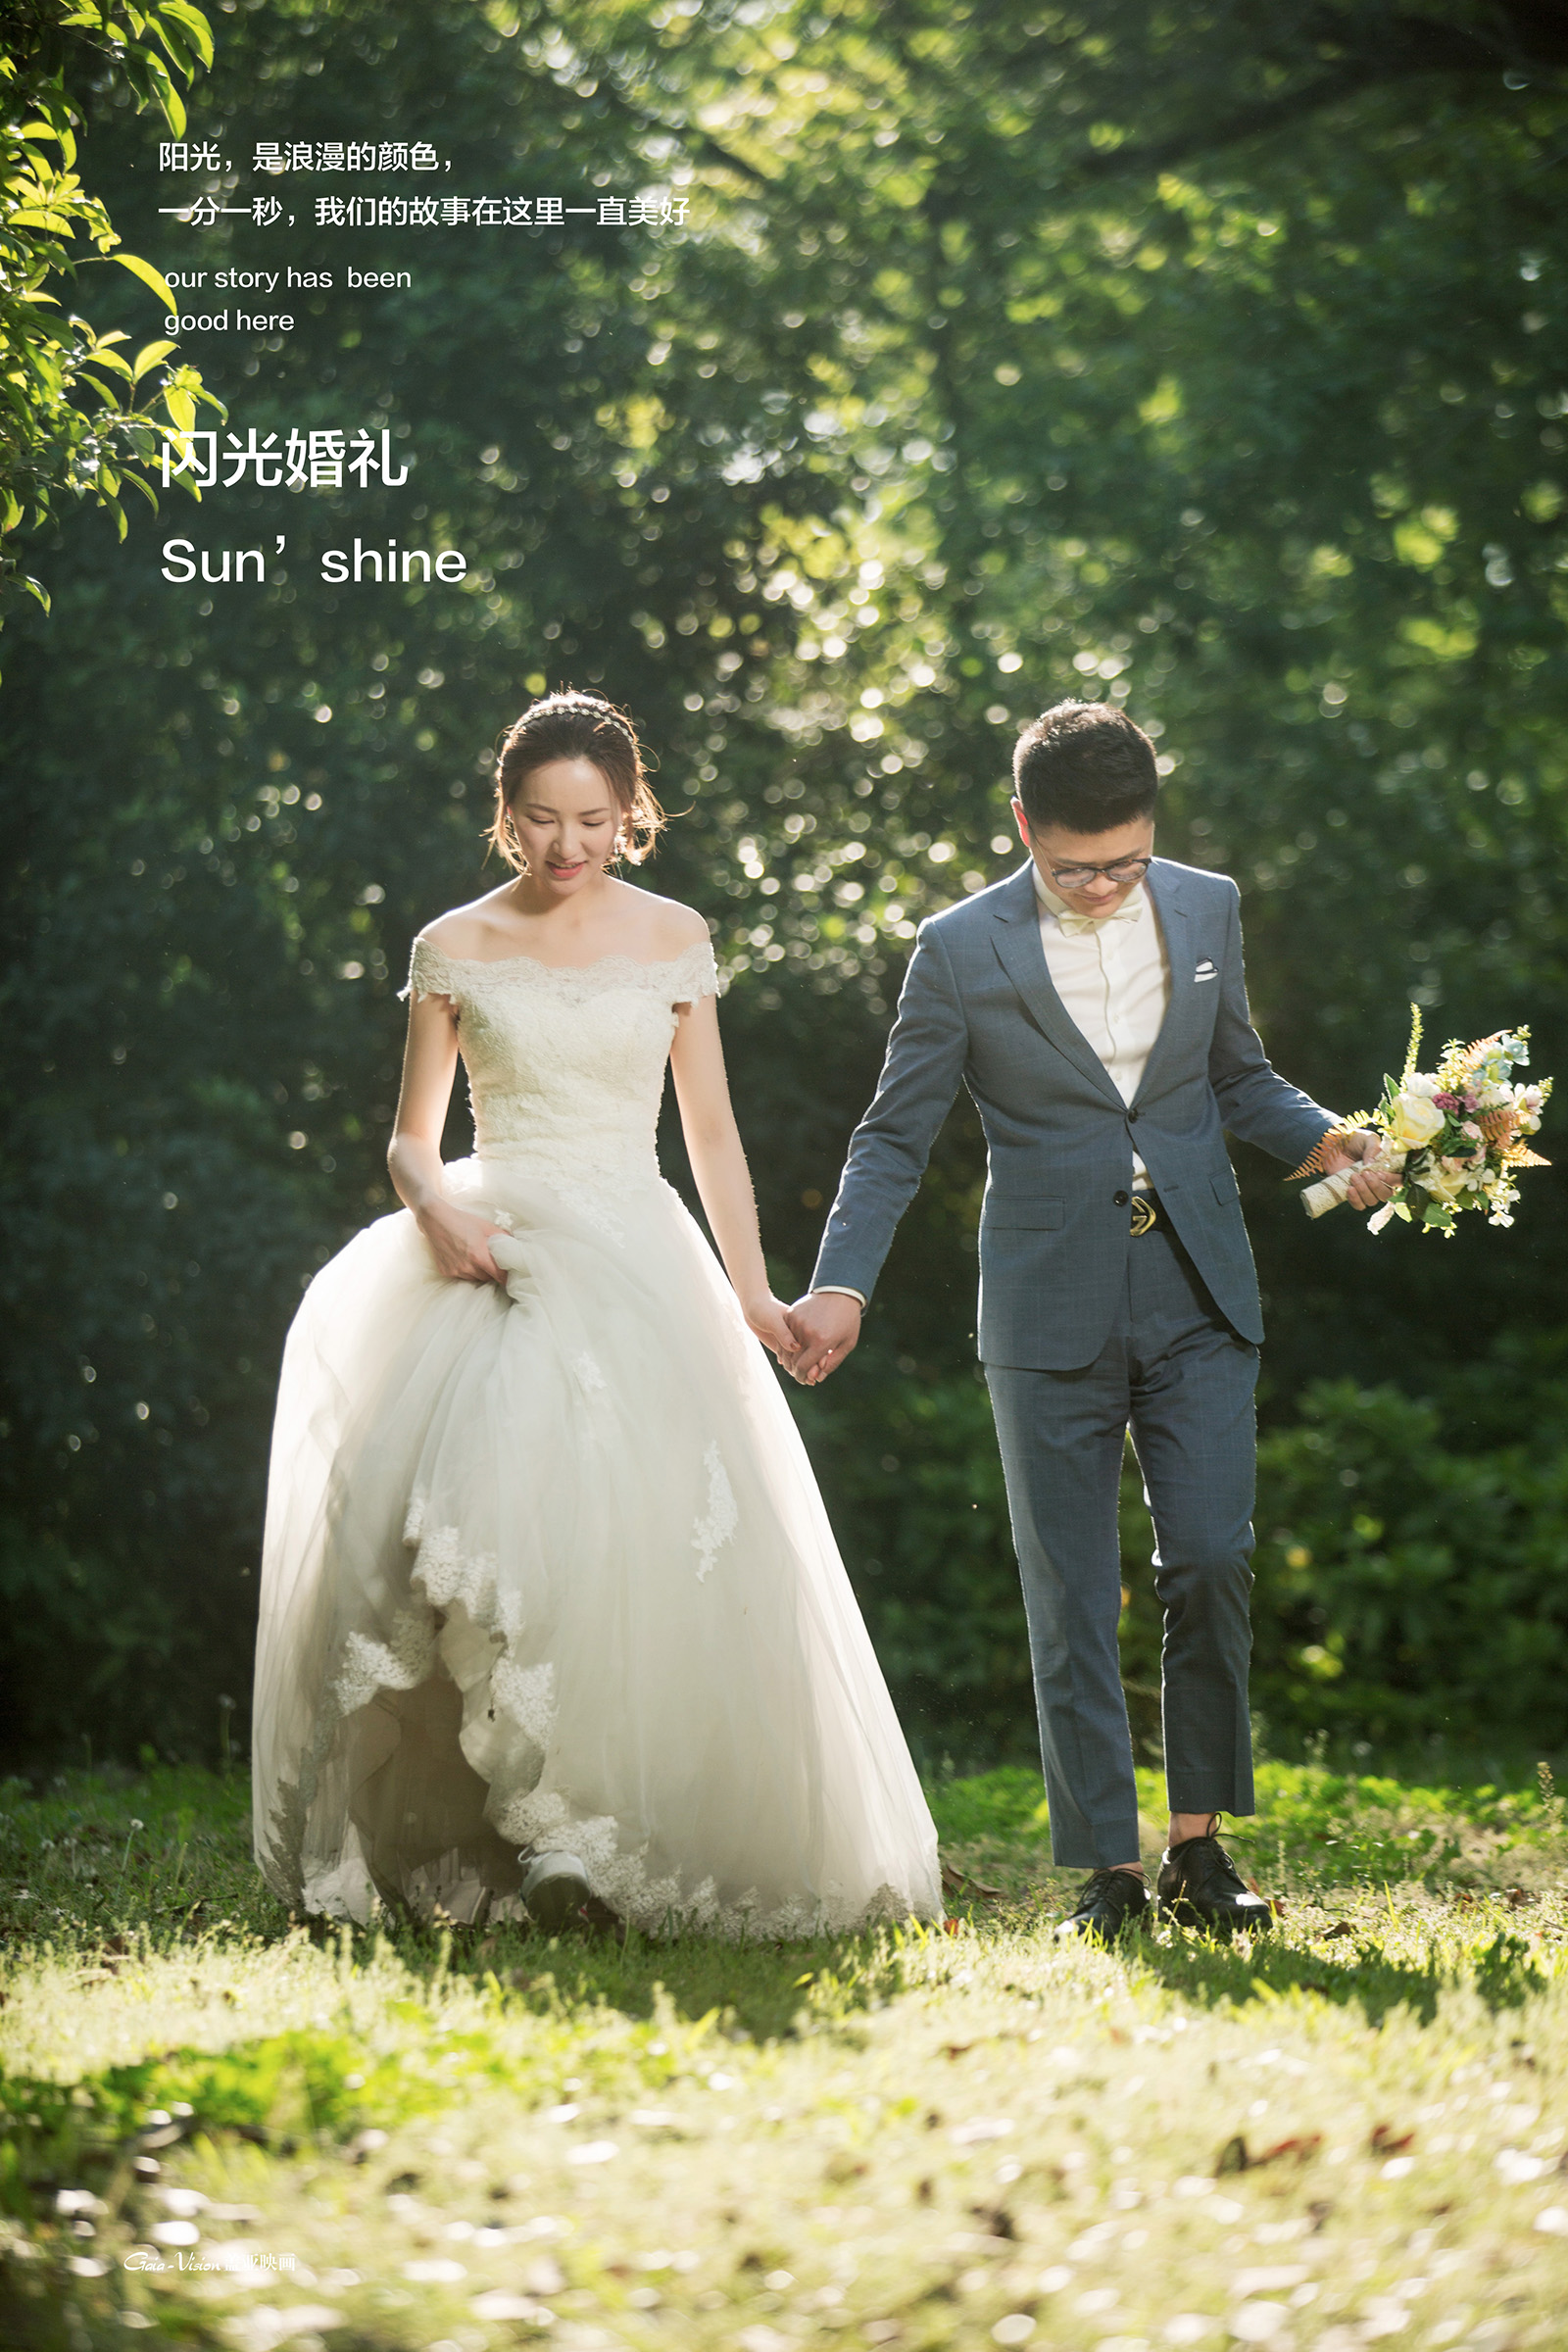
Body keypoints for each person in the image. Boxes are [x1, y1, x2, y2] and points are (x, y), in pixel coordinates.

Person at [252, 691, 941, 1938]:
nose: (564, 846)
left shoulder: (674, 937)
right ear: (505, 814)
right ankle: (529, 1831)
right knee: (483, 1520)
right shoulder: (454, 944)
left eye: (591, 820)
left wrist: (751, 1294)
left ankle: (592, 1838)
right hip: (495, 1246)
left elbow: (711, 1133)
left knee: (645, 1539)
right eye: (539, 819)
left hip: (635, 1252)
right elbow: (410, 1139)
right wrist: (435, 1211)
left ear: (632, 815)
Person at [787, 701, 1394, 1943]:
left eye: (1127, 860)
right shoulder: (958, 949)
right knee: (1070, 1590)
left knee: (1211, 1558)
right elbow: (893, 1136)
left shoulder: (1207, 907)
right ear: (1024, 827)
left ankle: (1198, 1848)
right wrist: (841, 1283)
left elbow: (1237, 1075)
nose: (1108, 888)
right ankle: (1108, 1870)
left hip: (1198, 1284)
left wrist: (1328, 1137)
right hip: (1043, 1298)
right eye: (1078, 870)